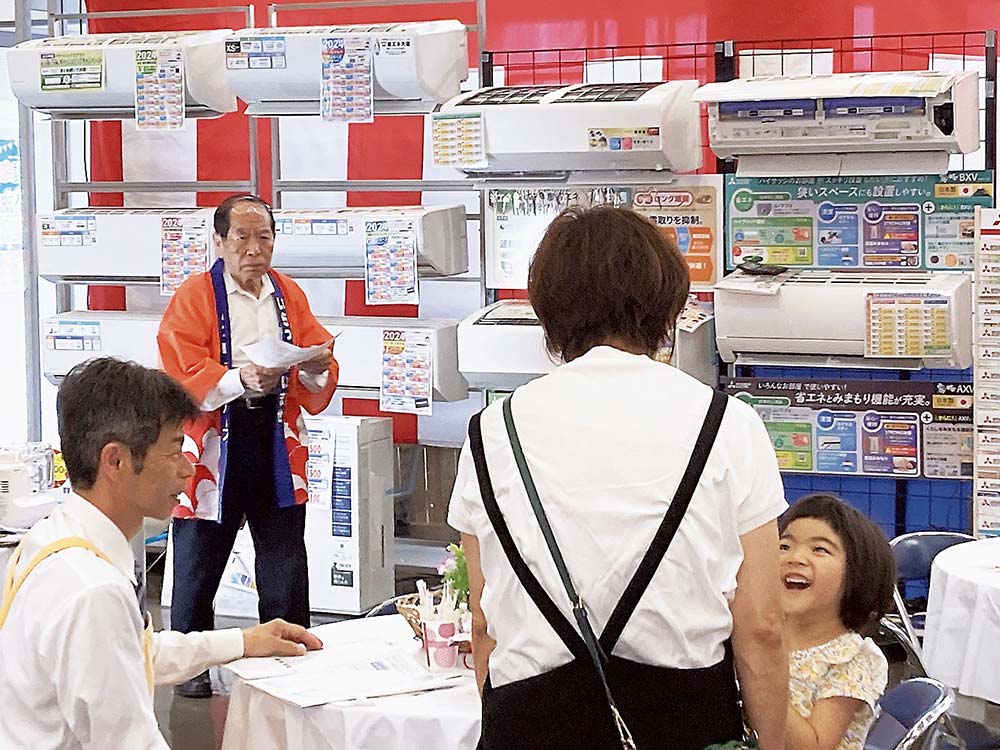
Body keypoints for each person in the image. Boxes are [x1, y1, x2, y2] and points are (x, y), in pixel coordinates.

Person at [448, 206, 789, 750]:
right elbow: (763, 626)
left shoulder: (491, 430)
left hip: (529, 721)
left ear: (548, 310)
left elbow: (484, 621)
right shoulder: (728, 425)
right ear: (666, 304)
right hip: (684, 717)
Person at [0, 358, 323, 750]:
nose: (188, 470)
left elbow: (132, 653)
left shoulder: (53, 539)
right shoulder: (93, 591)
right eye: (174, 451)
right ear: (115, 461)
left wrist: (242, 642)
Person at [157, 194, 338, 698]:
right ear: (218, 241)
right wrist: (240, 378)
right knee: (197, 558)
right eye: (242, 237)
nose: (255, 250)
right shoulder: (193, 297)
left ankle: (288, 651)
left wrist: (315, 366)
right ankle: (187, 663)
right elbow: (179, 371)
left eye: (265, 238)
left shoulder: (288, 294)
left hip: (275, 439)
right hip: (213, 441)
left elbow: (315, 356)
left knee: (284, 554)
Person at [780, 494, 896, 750]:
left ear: (858, 571)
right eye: (784, 546)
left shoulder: (852, 659)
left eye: (819, 549)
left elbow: (815, 746)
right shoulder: (761, 630)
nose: (795, 557)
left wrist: (761, 676)